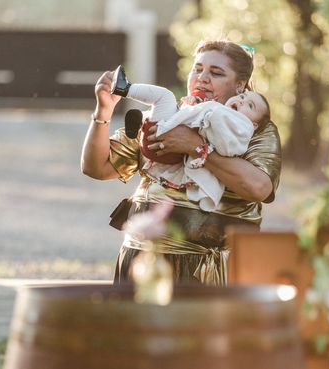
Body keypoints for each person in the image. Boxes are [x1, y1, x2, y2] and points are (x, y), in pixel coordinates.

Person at [80, 39, 282, 285]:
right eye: (197, 69)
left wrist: (195, 147)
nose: (202, 78)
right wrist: (103, 110)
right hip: (143, 263)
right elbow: (96, 167)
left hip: (211, 272)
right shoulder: (164, 117)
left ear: (240, 86)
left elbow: (259, 187)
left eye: (216, 73)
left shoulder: (254, 128)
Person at [109, 65, 271, 212]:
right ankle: (142, 120)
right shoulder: (224, 113)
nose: (241, 102)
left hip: (163, 145)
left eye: (250, 106)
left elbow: (224, 143)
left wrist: (202, 122)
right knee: (165, 99)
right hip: (161, 142)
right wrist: (193, 107)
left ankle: (127, 91)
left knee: (165, 97)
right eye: (243, 98)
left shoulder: (241, 127)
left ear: (254, 125)